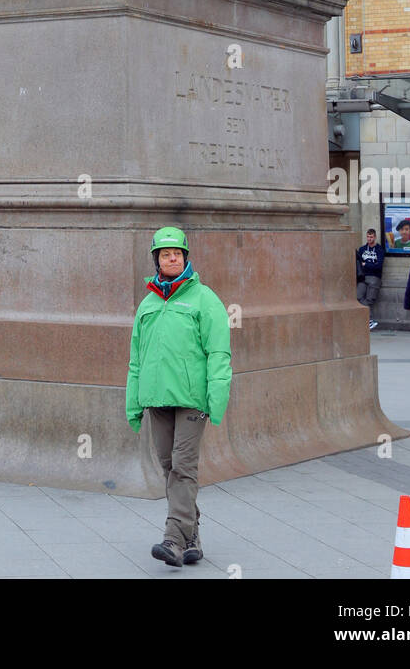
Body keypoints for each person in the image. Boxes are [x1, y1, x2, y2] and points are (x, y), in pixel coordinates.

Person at [126, 226, 232, 568]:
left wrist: (216, 398)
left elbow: (218, 353)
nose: (172, 258)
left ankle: (173, 539)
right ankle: (193, 536)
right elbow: (136, 359)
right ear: (156, 260)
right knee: (169, 467)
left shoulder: (205, 299)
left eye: (177, 253)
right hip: (157, 400)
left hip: (192, 400)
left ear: (186, 257)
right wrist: (133, 403)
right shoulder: (147, 303)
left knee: (183, 467)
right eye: (165, 254)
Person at [355, 229, 385, 331]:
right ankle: (370, 320)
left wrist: (366, 264)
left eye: (371, 237)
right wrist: (369, 265)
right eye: (368, 237)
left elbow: (378, 266)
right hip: (363, 277)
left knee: (370, 299)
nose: (369, 239)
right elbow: (359, 264)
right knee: (358, 297)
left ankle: (368, 321)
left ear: (375, 237)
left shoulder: (379, 250)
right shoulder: (362, 249)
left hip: (374, 277)